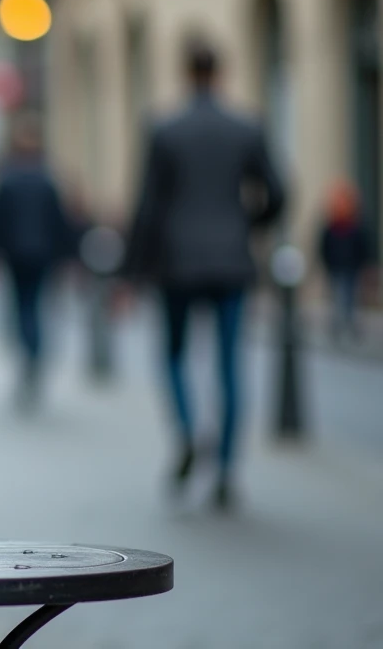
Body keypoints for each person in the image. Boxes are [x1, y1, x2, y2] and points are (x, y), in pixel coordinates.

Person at [124, 40, 285, 511]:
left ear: (185, 72)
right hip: (232, 259)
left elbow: (148, 205)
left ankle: (188, 432)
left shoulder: (165, 129)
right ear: (220, 72)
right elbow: (277, 192)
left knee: (174, 354)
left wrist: (131, 271)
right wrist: (245, 226)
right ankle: (227, 468)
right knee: (230, 364)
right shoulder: (246, 126)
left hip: (177, 260)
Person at [0, 117, 75, 412]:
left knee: (23, 305)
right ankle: (33, 351)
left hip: (15, 254)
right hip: (42, 254)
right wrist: (65, 255)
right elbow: (59, 220)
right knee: (34, 305)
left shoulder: (8, 179)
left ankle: (29, 349)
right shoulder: (47, 180)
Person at [317, 179, 376, 342]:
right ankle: (338, 325)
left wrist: (366, 265)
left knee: (351, 297)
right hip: (336, 268)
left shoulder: (357, 226)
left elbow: (364, 247)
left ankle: (349, 324)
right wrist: (326, 264)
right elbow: (323, 247)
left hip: (352, 268)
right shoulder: (331, 227)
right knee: (338, 296)